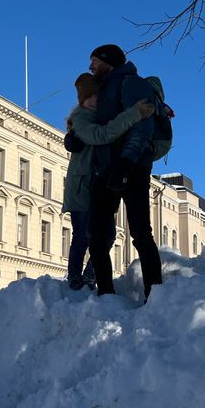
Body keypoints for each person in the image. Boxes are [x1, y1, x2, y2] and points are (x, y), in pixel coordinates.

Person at [62, 73, 154, 290]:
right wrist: (134, 114)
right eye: (89, 97)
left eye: (97, 96)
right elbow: (102, 135)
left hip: (96, 185)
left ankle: (88, 275)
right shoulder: (82, 119)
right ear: (82, 100)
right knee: (83, 236)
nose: (94, 100)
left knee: (108, 235)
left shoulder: (98, 116)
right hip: (82, 187)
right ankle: (75, 278)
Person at [87, 44, 163, 300]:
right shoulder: (104, 89)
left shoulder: (132, 83)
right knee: (96, 233)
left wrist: (127, 161)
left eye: (94, 62)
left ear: (108, 61)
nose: (91, 67)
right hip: (105, 169)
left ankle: (155, 294)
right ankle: (106, 295)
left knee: (140, 231)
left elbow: (143, 125)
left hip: (133, 167)